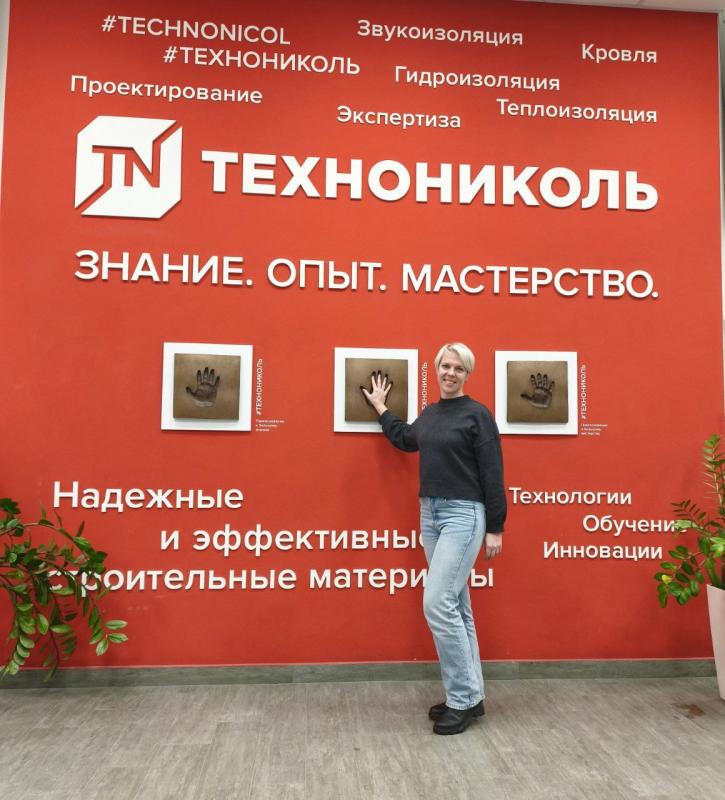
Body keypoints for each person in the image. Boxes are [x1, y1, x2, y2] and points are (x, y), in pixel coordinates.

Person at [362, 343, 506, 735]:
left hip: (464, 514)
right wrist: (381, 407)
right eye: (446, 366)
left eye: (459, 368)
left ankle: (461, 698)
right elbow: (406, 438)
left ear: (467, 374)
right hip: (431, 514)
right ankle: (471, 694)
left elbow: (493, 472)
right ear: (437, 368)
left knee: (437, 603)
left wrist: (496, 527)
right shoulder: (430, 414)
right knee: (457, 606)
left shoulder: (477, 415)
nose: (450, 373)